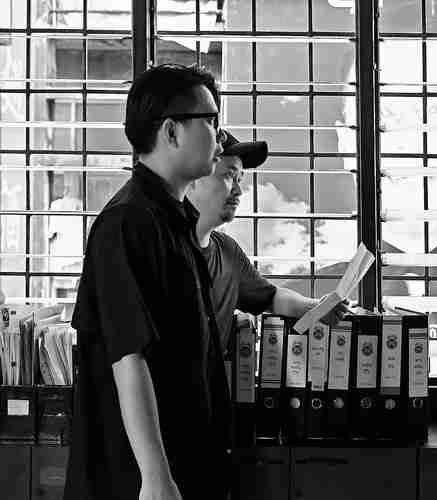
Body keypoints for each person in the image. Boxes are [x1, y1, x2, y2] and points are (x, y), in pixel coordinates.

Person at [65, 63, 230, 500]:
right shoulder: (128, 223)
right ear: (171, 131)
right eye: (210, 121)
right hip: (141, 481)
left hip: (186, 464)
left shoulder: (176, 219)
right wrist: (156, 478)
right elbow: (128, 355)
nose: (220, 137)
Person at [186, 131, 350, 352]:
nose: (238, 191)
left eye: (239, 179)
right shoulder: (158, 245)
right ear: (194, 177)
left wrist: (316, 307)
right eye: (229, 176)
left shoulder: (227, 251)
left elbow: (271, 297)